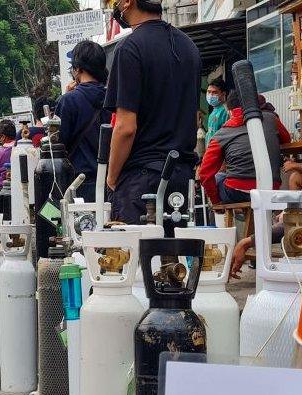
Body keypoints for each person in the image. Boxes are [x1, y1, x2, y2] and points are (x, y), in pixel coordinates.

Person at [104, 0, 201, 227]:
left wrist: (112, 177)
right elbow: (194, 115)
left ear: (127, 3)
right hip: (182, 176)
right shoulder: (189, 47)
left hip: (142, 179)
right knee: (174, 257)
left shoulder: (130, 48)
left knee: (137, 259)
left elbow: (125, 127)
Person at [198, 90, 292, 205]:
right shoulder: (271, 119)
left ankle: (222, 217)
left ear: (229, 111)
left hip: (237, 191)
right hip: (271, 188)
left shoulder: (221, 135)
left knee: (218, 178)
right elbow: (287, 139)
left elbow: (204, 173)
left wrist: (216, 201)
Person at [55, 40, 110, 202]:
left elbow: (58, 147)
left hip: (79, 185)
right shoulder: (115, 98)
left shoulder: (68, 101)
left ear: (77, 69)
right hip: (113, 184)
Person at [204, 78, 229, 143]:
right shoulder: (214, 111)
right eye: (209, 92)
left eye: (214, 92)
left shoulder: (225, 111)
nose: (210, 95)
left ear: (223, 94)